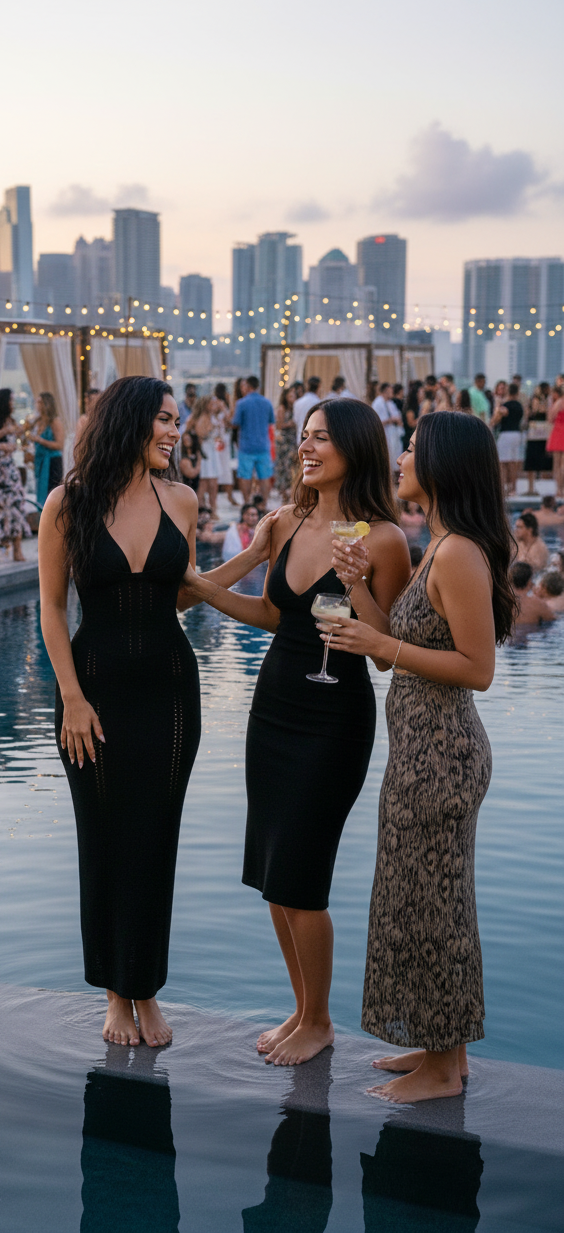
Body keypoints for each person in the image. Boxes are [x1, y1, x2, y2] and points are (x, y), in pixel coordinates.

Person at [37, 376, 274, 1048]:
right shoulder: (68, 503)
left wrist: (252, 557)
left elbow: (180, 596)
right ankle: (116, 993)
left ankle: (148, 989)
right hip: (93, 691)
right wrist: (73, 698)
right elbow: (53, 610)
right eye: (165, 421)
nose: (177, 432)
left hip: (170, 690)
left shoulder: (183, 499)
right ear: (131, 424)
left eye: (177, 421)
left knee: (155, 838)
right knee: (105, 836)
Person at [183, 399, 410, 1066]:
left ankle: (320, 1022)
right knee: (275, 874)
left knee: (303, 875)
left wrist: (358, 581)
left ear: (356, 450)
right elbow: (274, 616)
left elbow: (381, 643)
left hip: (334, 712)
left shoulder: (382, 537)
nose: (306, 450)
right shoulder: (285, 521)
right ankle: (302, 1007)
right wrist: (202, 586)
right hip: (275, 702)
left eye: (322, 441)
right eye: (303, 438)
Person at [323, 410, 517, 1103]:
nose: (399, 459)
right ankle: (443, 1054)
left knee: (436, 908)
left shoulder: (460, 551)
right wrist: (353, 588)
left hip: (443, 754)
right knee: (419, 900)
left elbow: (477, 667)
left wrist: (382, 647)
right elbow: (391, 646)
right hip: (420, 753)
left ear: (439, 465)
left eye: (409, 449)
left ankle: (441, 1068)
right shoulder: (434, 545)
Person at [0, 388, 31, 564]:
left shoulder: (11, 420)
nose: (12, 404)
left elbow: (18, 440)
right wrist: (3, 434)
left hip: (10, 469)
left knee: (16, 506)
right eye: (10, 401)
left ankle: (17, 549)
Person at [234, 375, 275, 503]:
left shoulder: (241, 403)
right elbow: (271, 421)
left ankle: (247, 502)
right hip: (263, 445)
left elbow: (235, 423)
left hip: (246, 446)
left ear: (248, 386)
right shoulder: (267, 402)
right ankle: (264, 503)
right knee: (264, 476)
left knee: (245, 476)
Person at [29, 391, 64, 510]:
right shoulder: (37, 421)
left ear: (46, 404)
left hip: (52, 461)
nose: (37, 404)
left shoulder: (54, 421)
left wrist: (40, 440)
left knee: (51, 492)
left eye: (40, 402)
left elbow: (60, 444)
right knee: (40, 489)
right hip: (40, 460)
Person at [188, 395, 218, 515]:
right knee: (206, 482)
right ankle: (207, 509)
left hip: (211, 450)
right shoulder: (203, 417)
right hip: (206, 452)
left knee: (210, 481)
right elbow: (201, 434)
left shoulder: (210, 417)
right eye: (212, 404)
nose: (214, 406)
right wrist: (211, 428)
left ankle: (208, 508)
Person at [492, 382, 524, 496]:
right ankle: (513, 488)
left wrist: (497, 407)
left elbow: (496, 420)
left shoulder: (505, 406)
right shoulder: (520, 406)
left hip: (506, 434)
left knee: (503, 463)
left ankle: (504, 488)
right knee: (513, 463)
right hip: (517, 434)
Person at [524, 385, 553, 494]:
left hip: (542, 436)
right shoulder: (532, 403)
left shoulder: (548, 402)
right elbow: (529, 417)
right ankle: (531, 488)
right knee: (531, 462)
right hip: (533, 435)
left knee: (544, 461)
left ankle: (542, 488)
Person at [212, 382, 239, 505]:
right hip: (218, 440)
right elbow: (229, 420)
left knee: (224, 467)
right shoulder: (220, 405)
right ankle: (226, 496)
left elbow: (229, 421)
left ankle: (227, 496)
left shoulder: (223, 405)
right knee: (219, 467)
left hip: (222, 439)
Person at [510, 561, 555, 625]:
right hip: (532, 633)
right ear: (529, 582)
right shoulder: (538, 604)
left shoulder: (502, 601)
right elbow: (552, 620)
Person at [273, 386, 297, 502]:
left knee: (291, 466)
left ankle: (289, 491)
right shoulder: (282, 409)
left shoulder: (295, 408)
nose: (293, 398)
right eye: (290, 395)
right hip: (284, 440)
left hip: (292, 440)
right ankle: (283, 492)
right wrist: (291, 424)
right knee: (284, 466)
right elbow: (279, 426)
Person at [372, 382, 403, 463]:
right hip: (385, 434)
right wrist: (391, 420)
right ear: (385, 391)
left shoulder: (390, 403)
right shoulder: (377, 403)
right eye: (391, 391)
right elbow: (376, 422)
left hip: (393, 433)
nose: (392, 392)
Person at [546, 385, 564, 494]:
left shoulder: (558, 403)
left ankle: (559, 489)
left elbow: (550, 418)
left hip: (558, 432)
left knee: (557, 464)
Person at [291, 377, 321, 441]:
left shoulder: (297, 402)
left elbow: (295, 420)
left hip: (299, 437)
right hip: (313, 440)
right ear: (319, 387)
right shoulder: (319, 403)